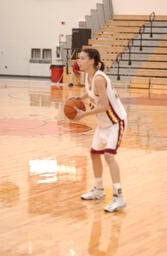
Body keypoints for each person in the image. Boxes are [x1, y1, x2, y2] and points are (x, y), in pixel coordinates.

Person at [73, 48, 127, 212]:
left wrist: (84, 114)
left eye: (82, 58)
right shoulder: (89, 77)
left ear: (92, 61)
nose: (79, 61)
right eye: (79, 58)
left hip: (115, 122)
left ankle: (119, 197)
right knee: (94, 153)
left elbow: (103, 106)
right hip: (103, 124)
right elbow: (90, 92)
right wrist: (78, 98)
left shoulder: (98, 79)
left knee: (109, 156)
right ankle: (98, 189)